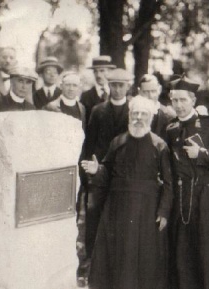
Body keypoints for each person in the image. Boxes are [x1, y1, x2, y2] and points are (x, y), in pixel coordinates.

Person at [81, 95, 173, 289]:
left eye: (143, 114)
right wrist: (97, 170)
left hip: (147, 211)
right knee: (118, 256)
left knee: (144, 259)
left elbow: (168, 182)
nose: (138, 117)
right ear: (129, 115)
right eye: (135, 113)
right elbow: (106, 174)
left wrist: (163, 212)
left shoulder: (160, 145)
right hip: (117, 209)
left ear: (151, 118)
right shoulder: (117, 142)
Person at [166, 74, 209, 289]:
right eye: (174, 100)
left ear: (193, 101)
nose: (178, 105)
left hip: (207, 198)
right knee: (183, 254)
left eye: (183, 100)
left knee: (208, 252)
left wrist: (202, 154)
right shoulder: (171, 128)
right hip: (182, 198)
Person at [77, 69, 131, 286]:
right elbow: (89, 144)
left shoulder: (134, 110)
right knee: (94, 218)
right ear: (108, 86)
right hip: (99, 174)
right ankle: (91, 261)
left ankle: (118, 263)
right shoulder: (98, 111)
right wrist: (89, 173)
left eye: (121, 85)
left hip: (123, 175)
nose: (117, 89)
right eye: (113, 85)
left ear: (128, 86)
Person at [138, 74, 175, 140]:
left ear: (159, 90)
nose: (150, 96)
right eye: (146, 92)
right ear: (139, 92)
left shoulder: (170, 116)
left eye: (153, 91)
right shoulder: (132, 114)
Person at [80, 55, 116, 124]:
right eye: (95, 71)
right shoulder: (86, 96)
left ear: (109, 72)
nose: (98, 75)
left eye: (102, 71)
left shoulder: (116, 93)